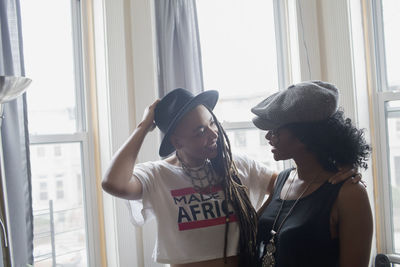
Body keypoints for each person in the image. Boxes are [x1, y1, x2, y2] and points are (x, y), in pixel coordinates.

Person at [102, 88, 360, 267]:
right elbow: (113, 183)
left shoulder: (237, 166)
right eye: (200, 131)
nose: (213, 135)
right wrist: (143, 127)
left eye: (212, 124)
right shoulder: (157, 175)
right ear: (175, 141)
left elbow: (293, 186)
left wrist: (338, 167)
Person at [251, 81, 373, 267]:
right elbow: (249, 231)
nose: (268, 137)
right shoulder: (282, 180)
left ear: (305, 135)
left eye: (276, 130)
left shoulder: (350, 193)